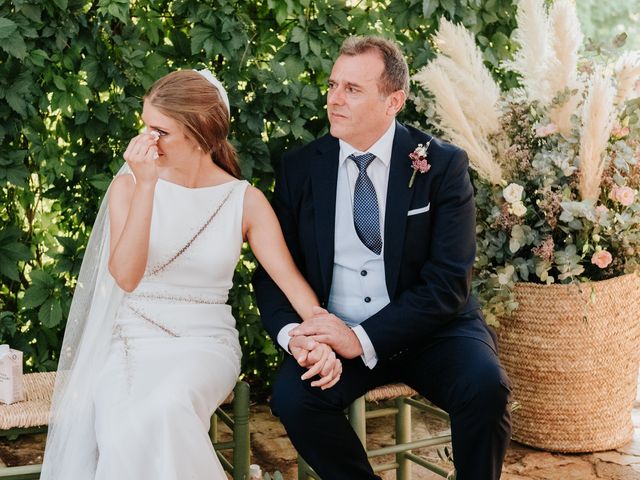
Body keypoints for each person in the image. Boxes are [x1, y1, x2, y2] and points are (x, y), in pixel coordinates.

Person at [40, 69, 342, 480]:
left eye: (160, 131)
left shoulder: (244, 200)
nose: (148, 141)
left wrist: (321, 333)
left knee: (168, 405)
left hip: (204, 343)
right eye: (146, 127)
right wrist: (146, 186)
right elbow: (126, 278)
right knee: (125, 425)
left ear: (200, 131)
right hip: (131, 341)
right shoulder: (129, 187)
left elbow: (291, 283)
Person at [253, 36, 512, 480]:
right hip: (337, 330)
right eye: (333, 85)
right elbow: (274, 273)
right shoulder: (299, 168)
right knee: (296, 399)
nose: (334, 99)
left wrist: (363, 339)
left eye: (352, 89)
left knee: (485, 389)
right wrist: (297, 334)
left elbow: (449, 282)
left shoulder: (442, 165)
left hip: (435, 331)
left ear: (394, 100)